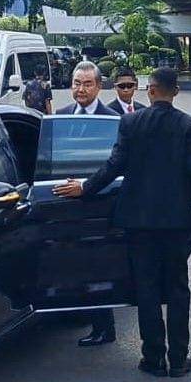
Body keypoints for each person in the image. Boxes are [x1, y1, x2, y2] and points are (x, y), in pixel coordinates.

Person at [54, 68, 191, 377]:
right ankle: (179, 359)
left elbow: (114, 166)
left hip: (139, 221)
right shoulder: (188, 125)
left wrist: (85, 187)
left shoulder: (130, 122)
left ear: (149, 91)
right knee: (178, 289)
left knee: (147, 289)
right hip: (176, 221)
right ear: (176, 91)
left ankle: (153, 358)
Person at [55, 60, 118, 347]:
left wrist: (86, 187)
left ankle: (104, 327)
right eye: (77, 83)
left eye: (87, 84)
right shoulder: (60, 116)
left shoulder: (112, 119)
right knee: (70, 262)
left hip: (99, 201)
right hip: (63, 202)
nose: (81, 89)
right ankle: (72, 314)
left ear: (99, 86)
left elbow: (115, 164)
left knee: (97, 267)